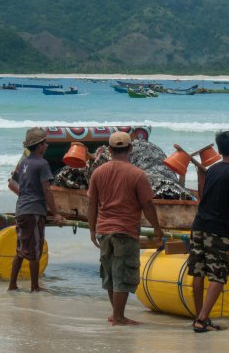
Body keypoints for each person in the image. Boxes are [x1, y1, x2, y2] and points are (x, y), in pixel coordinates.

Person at [87, 132, 164, 326]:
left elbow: (91, 204)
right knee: (123, 274)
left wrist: (92, 230)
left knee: (111, 273)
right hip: (125, 231)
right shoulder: (137, 174)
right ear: (130, 149)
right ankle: (119, 317)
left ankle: (116, 314)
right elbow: (148, 205)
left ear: (110, 150)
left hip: (104, 229)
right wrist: (157, 229)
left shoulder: (98, 172)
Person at [187, 131, 229, 333]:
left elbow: (202, 196)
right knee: (218, 275)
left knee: (198, 273)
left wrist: (201, 175)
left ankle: (200, 316)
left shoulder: (212, 171)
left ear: (219, 150)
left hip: (198, 226)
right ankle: (201, 319)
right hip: (216, 230)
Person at [8, 127, 65, 292]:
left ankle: (13, 285)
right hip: (34, 211)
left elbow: (17, 183)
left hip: (22, 209)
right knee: (34, 249)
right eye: (45, 143)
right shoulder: (42, 164)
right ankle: (34, 287)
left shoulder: (24, 162)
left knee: (21, 249)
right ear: (40, 146)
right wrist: (56, 213)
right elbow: (47, 190)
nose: (46, 146)